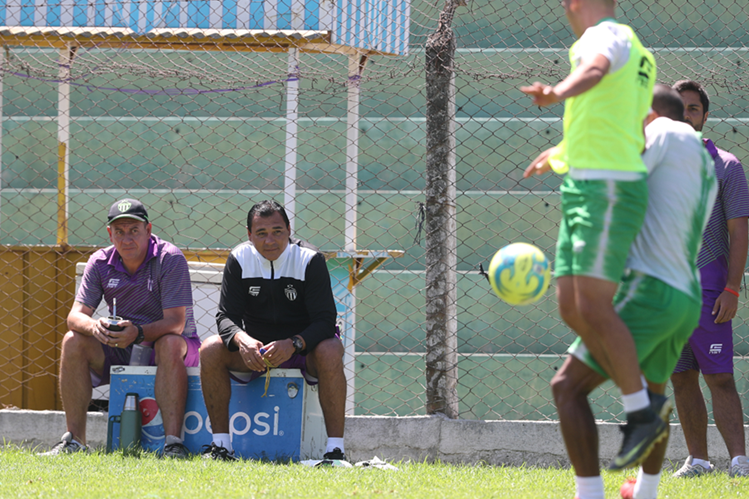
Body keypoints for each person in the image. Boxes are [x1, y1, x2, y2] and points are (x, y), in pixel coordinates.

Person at [552, 85, 717, 499]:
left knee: (567, 388)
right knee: (655, 391)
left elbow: (620, 183)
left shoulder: (663, 133)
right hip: (685, 294)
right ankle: (645, 492)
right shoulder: (706, 159)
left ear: (650, 113)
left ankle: (588, 493)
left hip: (651, 290)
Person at [520, 0, 660, 469]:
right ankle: (635, 382)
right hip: (586, 185)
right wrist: (560, 153)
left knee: (594, 306)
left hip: (609, 190)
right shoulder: (632, 48)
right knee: (570, 306)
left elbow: (595, 72)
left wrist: (556, 92)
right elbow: (621, 126)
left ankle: (642, 409)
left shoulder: (604, 37)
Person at [40, 198, 201, 458]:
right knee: (72, 340)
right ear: (110, 234)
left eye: (134, 231)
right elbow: (75, 316)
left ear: (148, 230)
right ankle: (75, 441)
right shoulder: (100, 261)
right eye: (120, 232)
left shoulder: (169, 258)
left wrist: (136, 332)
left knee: (169, 342)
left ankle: (173, 444)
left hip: (175, 345)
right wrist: (96, 328)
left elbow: (176, 323)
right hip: (123, 345)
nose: (127, 239)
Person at [199, 200, 346, 461]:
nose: (270, 241)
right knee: (210, 349)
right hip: (257, 353)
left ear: (289, 230)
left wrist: (294, 343)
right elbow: (225, 317)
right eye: (261, 233)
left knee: (332, 348)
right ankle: (221, 446)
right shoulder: (239, 259)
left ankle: (335, 451)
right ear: (249, 235)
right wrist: (242, 340)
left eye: (277, 231)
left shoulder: (310, 260)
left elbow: (325, 320)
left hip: (302, 349)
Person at [669, 79, 749, 478]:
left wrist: (732, 288)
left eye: (694, 109)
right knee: (681, 375)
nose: (686, 115)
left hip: (709, 287)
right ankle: (697, 459)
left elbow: (739, 233)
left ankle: (739, 462)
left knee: (719, 376)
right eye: (679, 108)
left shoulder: (727, 166)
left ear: (704, 116)